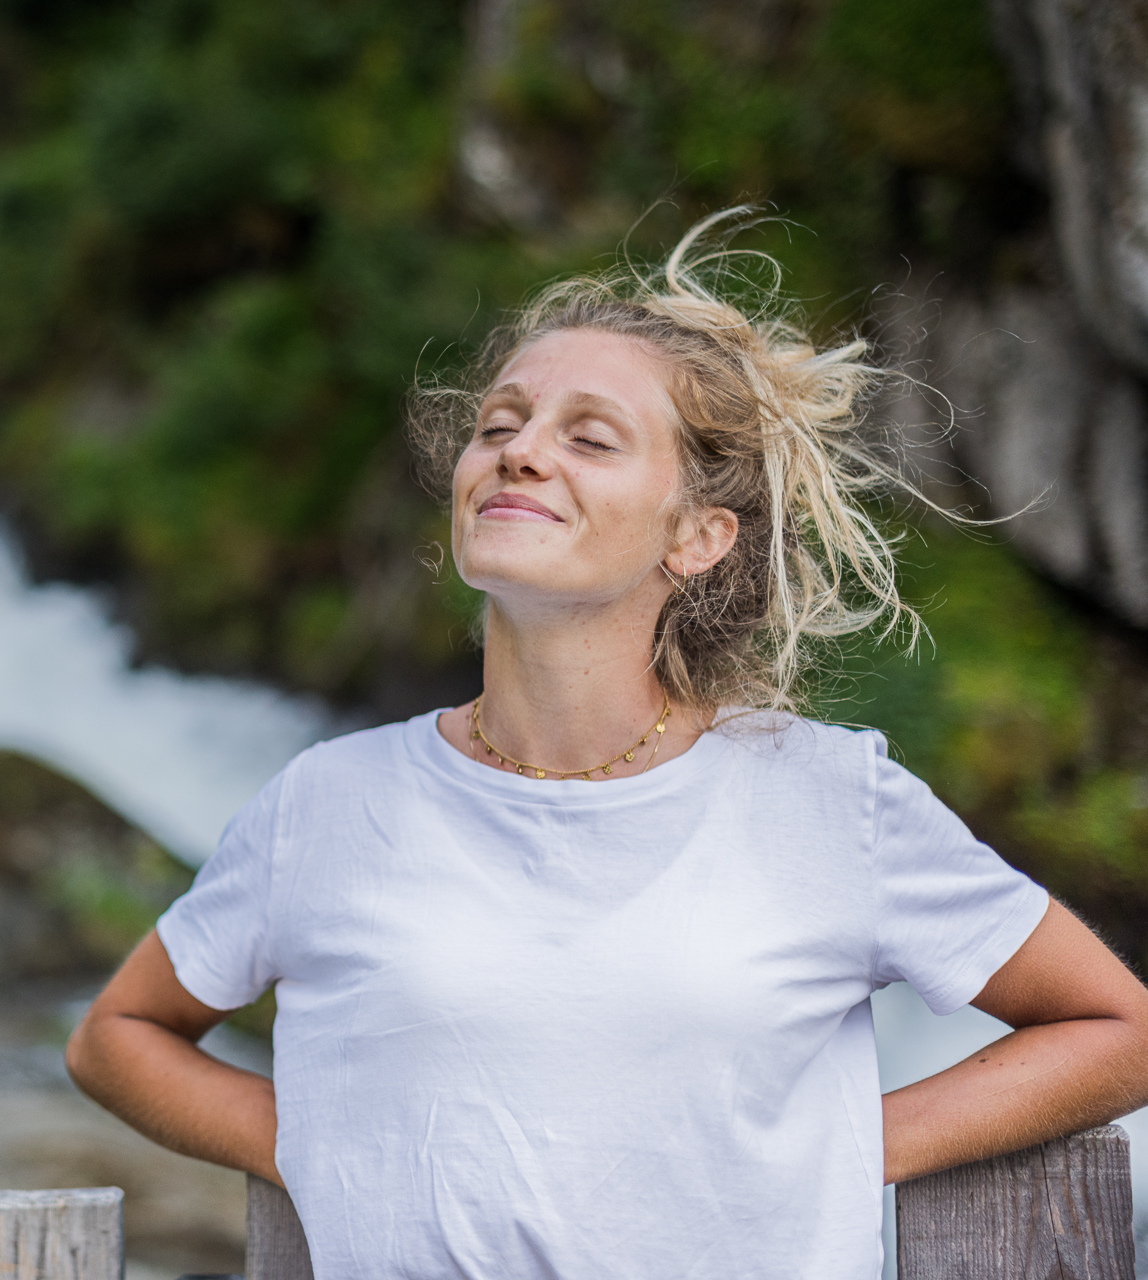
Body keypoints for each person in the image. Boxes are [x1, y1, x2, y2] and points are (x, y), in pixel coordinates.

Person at [64, 211, 1148, 1279]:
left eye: (589, 437)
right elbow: (117, 1036)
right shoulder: (327, 802)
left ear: (696, 535)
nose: (520, 453)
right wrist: (324, 1139)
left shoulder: (828, 797)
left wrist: (840, 1144)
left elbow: (1119, 1026)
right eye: (499, 425)